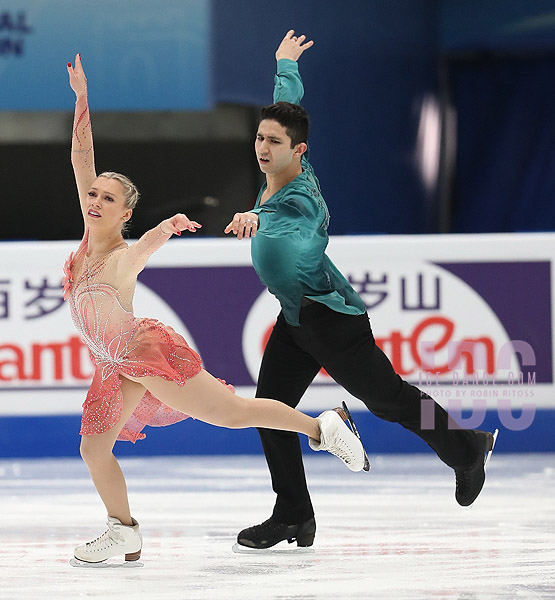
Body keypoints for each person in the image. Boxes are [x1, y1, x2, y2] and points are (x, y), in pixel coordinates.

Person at [64, 53, 367, 566]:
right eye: (92, 195)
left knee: (234, 415)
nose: (95, 201)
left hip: (146, 354)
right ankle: (124, 531)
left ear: (125, 214)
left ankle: (324, 428)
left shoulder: (119, 257)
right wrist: (81, 100)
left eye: (107, 199)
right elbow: (81, 158)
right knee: (94, 448)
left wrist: (165, 229)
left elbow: (145, 249)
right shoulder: (86, 240)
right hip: (114, 364)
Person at [224, 30, 497, 550]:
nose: (262, 148)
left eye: (273, 142)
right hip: (296, 318)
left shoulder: (300, 202)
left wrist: (250, 214)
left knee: (390, 400)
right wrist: (285, 64)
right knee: (269, 410)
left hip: (332, 322)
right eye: (259, 138)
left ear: (297, 150)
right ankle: (293, 515)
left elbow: (283, 222)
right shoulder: (280, 167)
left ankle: (467, 450)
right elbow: (289, 103)